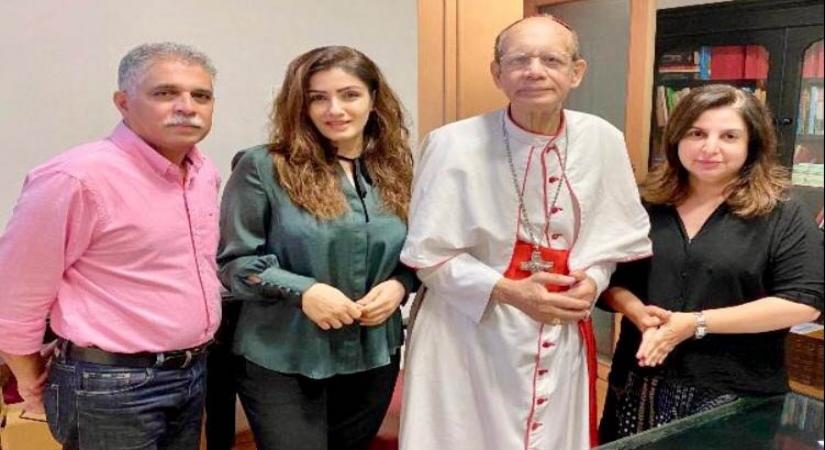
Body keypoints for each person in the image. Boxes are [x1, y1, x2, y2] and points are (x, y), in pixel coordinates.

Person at [399, 15, 652, 450]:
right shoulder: (451, 143)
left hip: (559, 325)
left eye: (551, 59)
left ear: (576, 72)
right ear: (497, 73)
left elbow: (612, 241)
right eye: (519, 60)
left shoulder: (602, 139)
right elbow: (430, 257)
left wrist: (591, 282)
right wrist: (511, 292)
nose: (534, 71)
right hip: (468, 332)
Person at [0, 42, 221, 449]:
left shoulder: (203, 172)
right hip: (110, 385)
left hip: (191, 372)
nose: (187, 106)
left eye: (201, 95)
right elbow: (16, 290)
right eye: (165, 93)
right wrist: (27, 373)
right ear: (123, 102)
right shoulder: (76, 178)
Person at [598, 84, 824, 442]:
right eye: (697, 133)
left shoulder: (782, 212)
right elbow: (610, 279)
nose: (710, 148)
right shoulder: (645, 202)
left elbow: (802, 303)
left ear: (752, 143)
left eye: (729, 136)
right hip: (639, 383)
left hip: (734, 391)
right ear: (676, 138)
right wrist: (636, 311)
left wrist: (695, 324)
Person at [217, 45, 416, 450]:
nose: (335, 109)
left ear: (373, 100)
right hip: (282, 355)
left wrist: (400, 285)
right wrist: (304, 290)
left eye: (349, 95)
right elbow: (235, 264)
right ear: (299, 105)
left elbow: (419, 252)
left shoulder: (396, 167)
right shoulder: (263, 166)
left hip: (372, 353)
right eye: (318, 98)